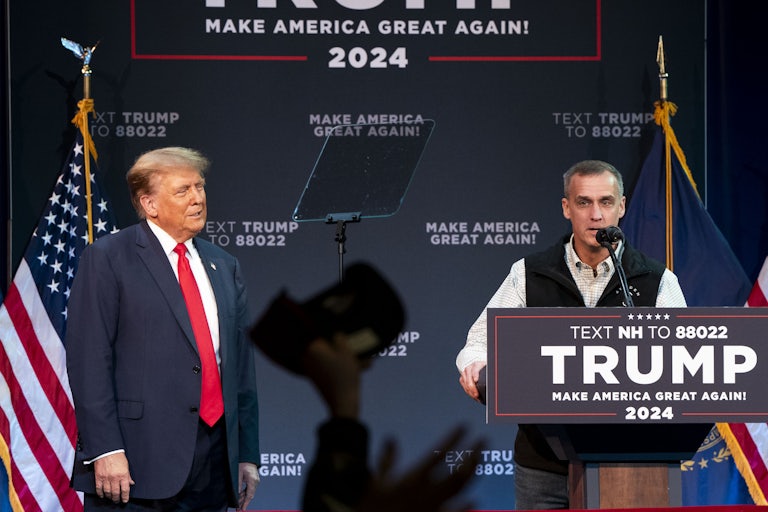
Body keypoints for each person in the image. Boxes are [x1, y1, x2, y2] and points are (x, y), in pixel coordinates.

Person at [455, 159, 687, 510]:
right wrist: (476, 366)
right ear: (567, 208)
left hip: (628, 462)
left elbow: (686, 357)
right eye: (584, 202)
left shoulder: (655, 280)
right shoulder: (530, 273)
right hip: (543, 463)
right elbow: (478, 344)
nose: (596, 215)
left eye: (606, 202)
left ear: (621, 207)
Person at [66, 147, 261, 511]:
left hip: (215, 463)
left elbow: (240, 369)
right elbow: (88, 361)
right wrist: (106, 449)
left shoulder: (225, 264)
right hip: (137, 464)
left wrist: (246, 453)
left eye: (200, 187)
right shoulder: (109, 258)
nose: (197, 199)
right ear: (150, 204)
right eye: (183, 190)